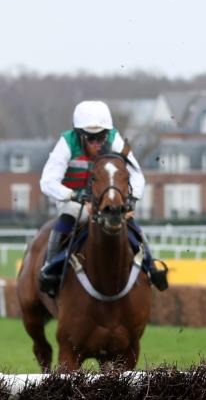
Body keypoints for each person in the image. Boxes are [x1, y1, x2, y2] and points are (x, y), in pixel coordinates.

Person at [38, 100, 169, 296]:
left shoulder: (115, 140)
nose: (98, 143)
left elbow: (137, 176)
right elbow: (47, 182)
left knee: (128, 220)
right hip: (73, 199)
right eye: (91, 138)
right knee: (70, 214)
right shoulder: (66, 143)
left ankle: (151, 265)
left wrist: (131, 201)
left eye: (101, 137)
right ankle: (50, 266)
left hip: (106, 199)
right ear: (79, 135)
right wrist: (74, 195)